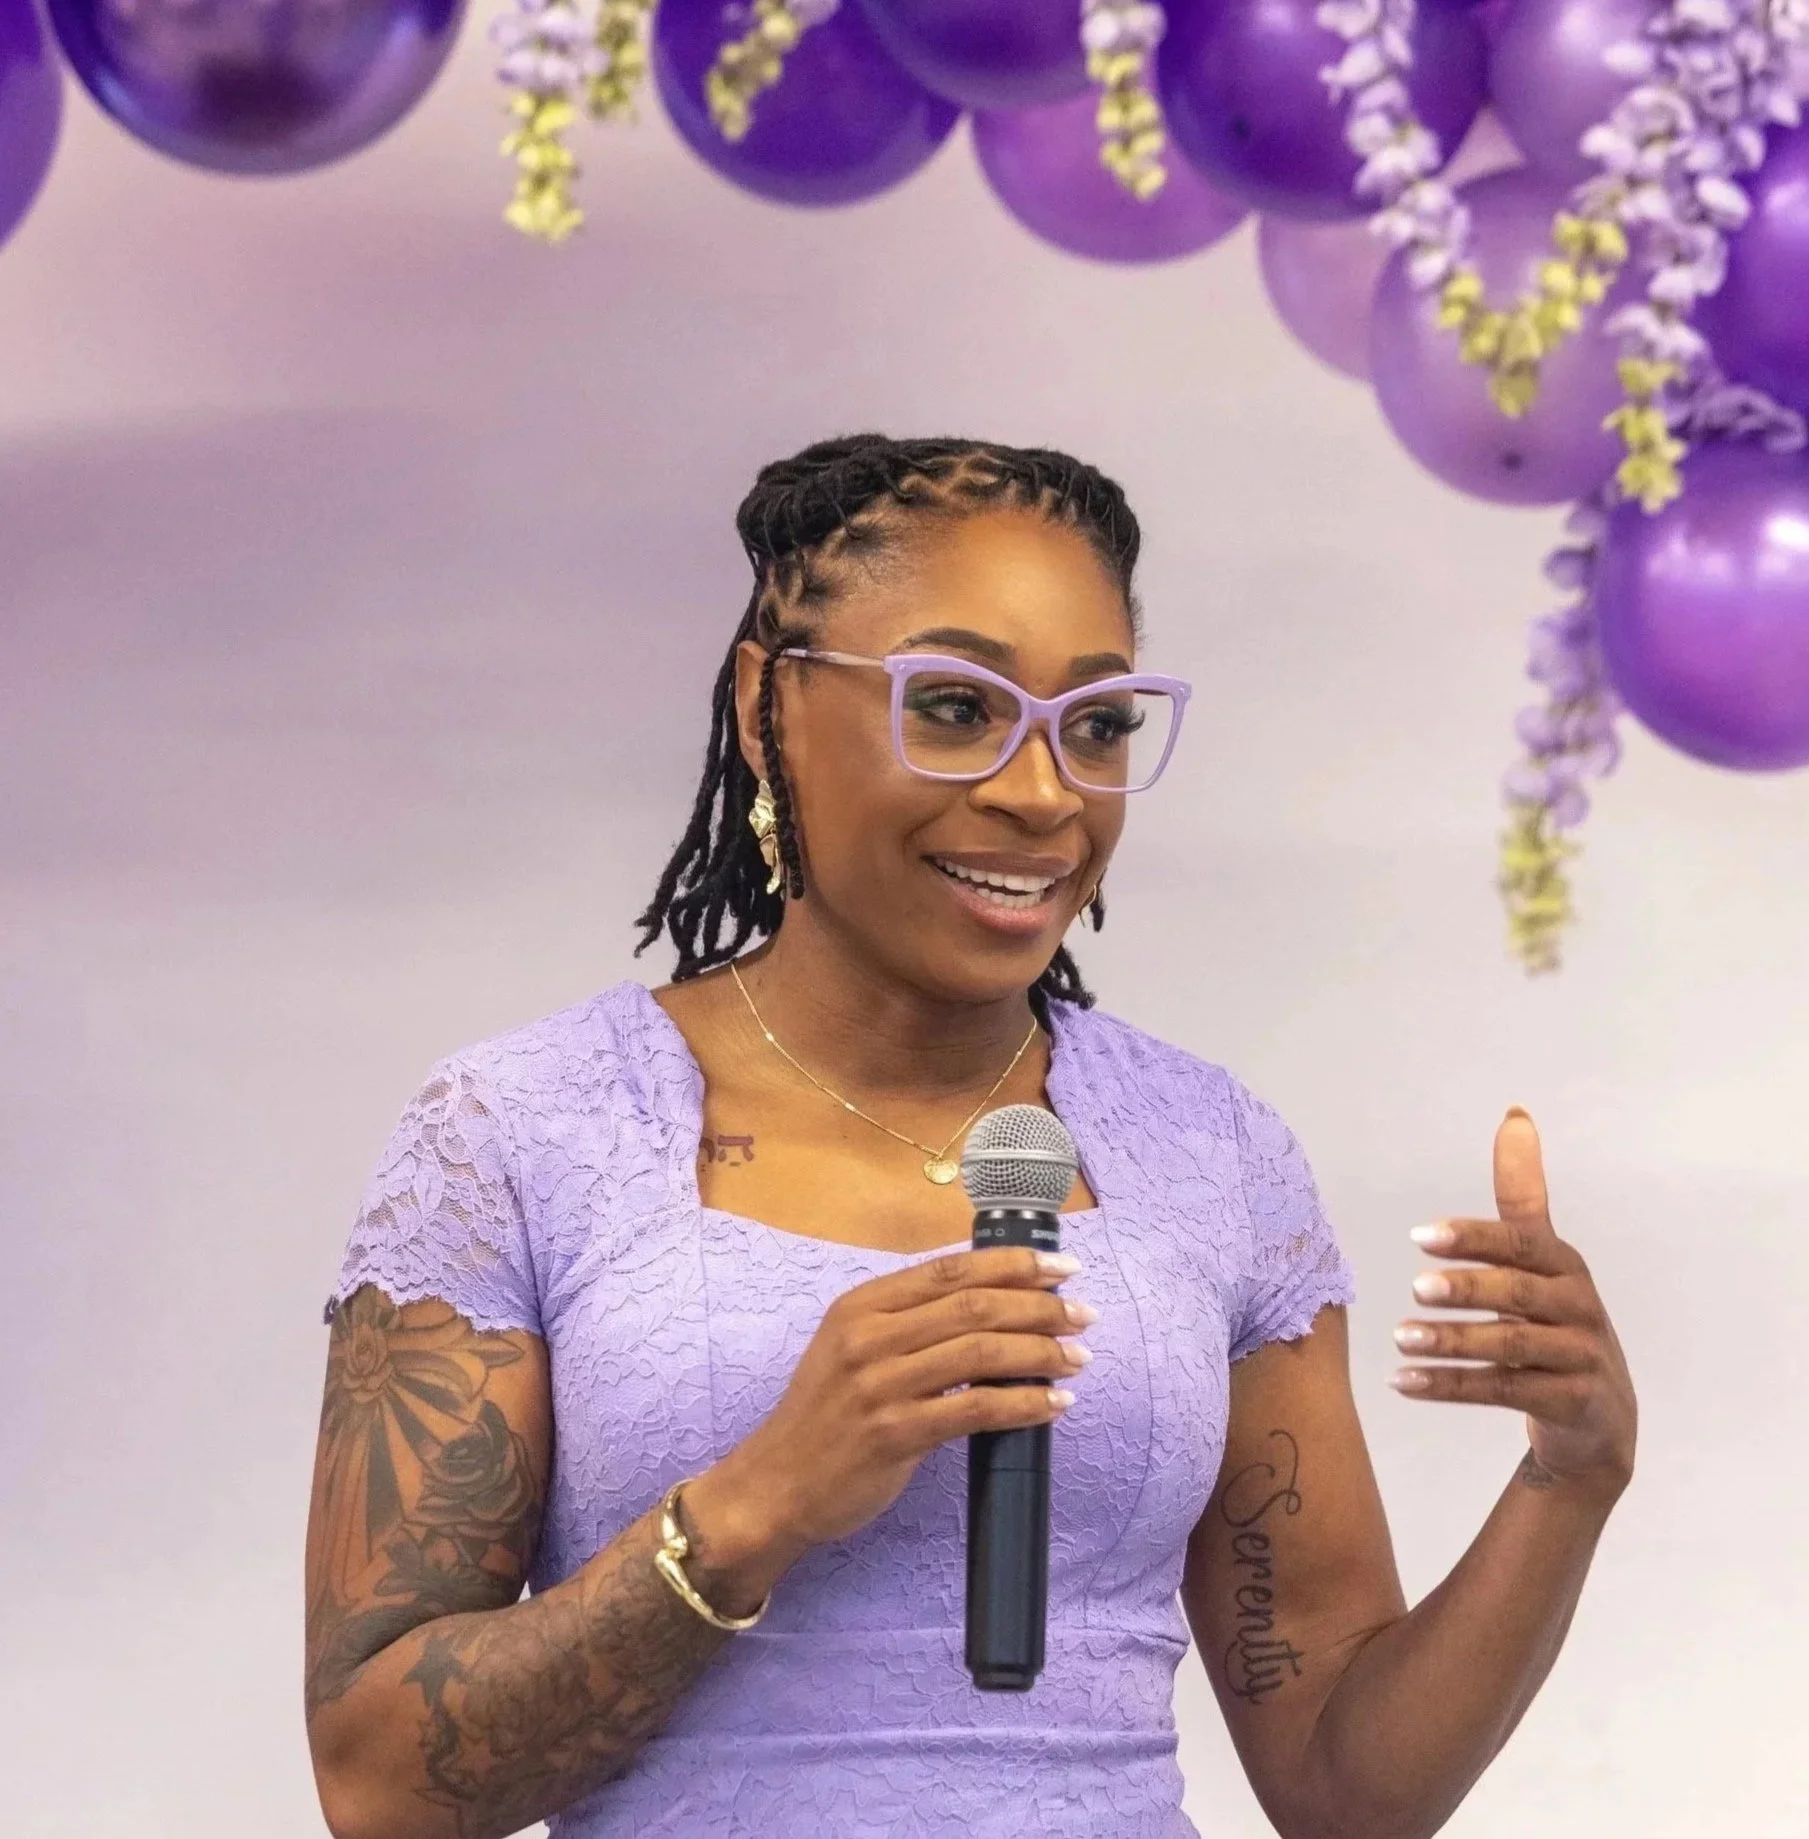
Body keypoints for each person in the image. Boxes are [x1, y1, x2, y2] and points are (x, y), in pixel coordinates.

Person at [303, 434, 1638, 1839]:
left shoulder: (1212, 1154)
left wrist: (1571, 1473)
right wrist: (757, 1502)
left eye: (1098, 724)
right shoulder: (526, 1129)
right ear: (770, 709)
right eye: (953, 705)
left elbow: (1348, 1789)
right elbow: (379, 1783)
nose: (1042, 792)